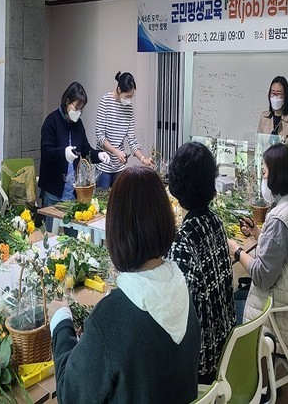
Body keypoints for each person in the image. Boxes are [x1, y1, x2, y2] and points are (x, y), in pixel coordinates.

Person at [49, 167, 200, 403]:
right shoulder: (180, 287)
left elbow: (70, 394)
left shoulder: (111, 317)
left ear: (116, 229)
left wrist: (60, 321)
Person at [228, 143, 288, 357]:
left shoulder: (280, 218)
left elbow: (262, 276)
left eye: (264, 172)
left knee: (226, 309)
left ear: (276, 176)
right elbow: (283, 251)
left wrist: (236, 251)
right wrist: (259, 234)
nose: (262, 178)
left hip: (282, 323)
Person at [167, 142, 235, 385]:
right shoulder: (215, 222)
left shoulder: (183, 242)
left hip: (202, 363)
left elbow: (174, 315)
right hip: (226, 346)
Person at [39, 81, 110, 214]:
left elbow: (85, 149)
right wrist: (63, 153)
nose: (79, 112)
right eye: (77, 107)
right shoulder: (51, 121)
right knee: (52, 232)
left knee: (73, 233)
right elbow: (46, 152)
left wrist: (98, 155)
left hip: (74, 191)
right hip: (54, 190)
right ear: (67, 102)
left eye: (81, 109)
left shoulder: (78, 124)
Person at [95, 71, 154, 188]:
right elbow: (100, 137)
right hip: (104, 166)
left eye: (132, 96)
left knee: (119, 203)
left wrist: (143, 159)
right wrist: (115, 151)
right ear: (119, 90)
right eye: (127, 96)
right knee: (102, 203)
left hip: (120, 167)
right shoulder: (105, 101)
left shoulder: (129, 108)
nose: (129, 100)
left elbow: (131, 139)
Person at [257, 76, 288, 144]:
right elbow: (259, 144)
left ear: (285, 96)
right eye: (273, 93)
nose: (275, 97)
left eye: (278, 94)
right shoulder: (264, 117)